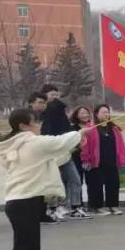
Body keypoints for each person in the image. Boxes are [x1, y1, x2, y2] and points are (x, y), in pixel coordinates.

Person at [0, 108, 86, 250]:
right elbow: (59, 142)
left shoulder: (22, 144)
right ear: (23, 125)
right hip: (23, 201)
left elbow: (53, 158)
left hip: (24, 201)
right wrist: (79, 133)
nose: (39, 124)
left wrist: (74, 144)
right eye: (35, 121)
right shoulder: (31, 142)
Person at [39, 85, 84, 222]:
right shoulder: (44, 112)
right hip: (52, 152)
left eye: (57, 95)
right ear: (44, 96)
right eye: (52, 95)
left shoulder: (60, 111)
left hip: (64, 151)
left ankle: (75, 207)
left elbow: (67, 129)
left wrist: (74, 144)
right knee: (54, 181)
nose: (55, 98)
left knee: (75, 180)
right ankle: (53, 208)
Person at [81, 104, 125, 216]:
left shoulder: (114, 129)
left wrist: (122, 159)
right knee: (96, 185)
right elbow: (85, 145)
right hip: (96, 162)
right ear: (96, 114)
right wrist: (86, 159)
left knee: (113, 184)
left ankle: (113, 205)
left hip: (111, 161)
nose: (106, 114)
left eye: (107, 112)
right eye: (103, 112)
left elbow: (121, 146)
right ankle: (97, 207)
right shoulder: (90, 128)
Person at [27, 93, 57, 225]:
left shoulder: (46, 116)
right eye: (39, 102)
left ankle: (41, 214)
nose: (42, 105)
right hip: (30, 155)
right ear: (31, 103)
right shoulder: (25, 116)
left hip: (44, 153)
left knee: (43, 186)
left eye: (44, 103)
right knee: (32, 186)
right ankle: (32, 214)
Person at [64, 106, 93, 219]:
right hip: (76, 158)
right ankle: (76, 206)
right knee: (76, 182)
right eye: (82, 113)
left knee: (90, 183)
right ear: (76, 115)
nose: (85, 115)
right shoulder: (72, 129)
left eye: (86, 113)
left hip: (90, 159)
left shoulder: (92, 127)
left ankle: (89, 206)